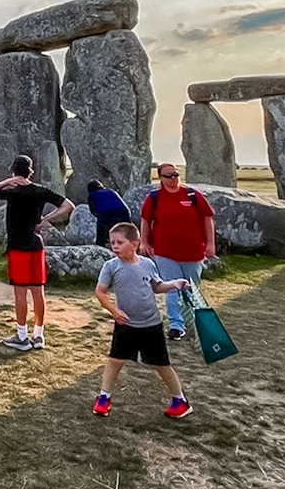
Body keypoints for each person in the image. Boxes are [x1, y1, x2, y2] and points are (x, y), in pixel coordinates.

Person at [92, 222, 194, 419]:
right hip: (126, 325)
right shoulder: (111, 266)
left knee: (161, 365)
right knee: (115, 361)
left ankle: (180, 401)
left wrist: (174, 284)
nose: (114, 246)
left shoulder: (148, 264)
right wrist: (114, 310)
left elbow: (156, 286)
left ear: (135, 244)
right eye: (112, 242)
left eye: (119, 242)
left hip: (151, 325)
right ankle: (104, 398)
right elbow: (100, 292)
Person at [0, 154, 75, 351]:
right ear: (30, 171)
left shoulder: (13, 192)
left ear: (13, 171)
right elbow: (69, 205)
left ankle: (21, 336)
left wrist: (10, 181)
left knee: (20, 293)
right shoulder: (40, 191)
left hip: (18, 246)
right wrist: (45, 219)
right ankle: (38, 334)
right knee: (38, 291)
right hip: (36, 245)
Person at [139, 162, 216, 341]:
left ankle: (196, 323)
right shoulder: (155, 197)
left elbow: (207, 218)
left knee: (192, 288)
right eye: (169, 175)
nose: (173, 178)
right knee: (172, 288)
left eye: (175, 174)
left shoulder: (192, 195)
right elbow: (145, 220)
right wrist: (144, 242)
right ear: (161, 178)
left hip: (193, 251)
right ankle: (176, 325)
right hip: (165, 252)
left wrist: (211, 244)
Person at [87, 179, 132, 248]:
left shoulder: (92, 195)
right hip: (123, 211)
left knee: (101, 227)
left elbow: (93, 210)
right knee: (127, 230)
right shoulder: (111, 191)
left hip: (106, 213)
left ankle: (100, 245)